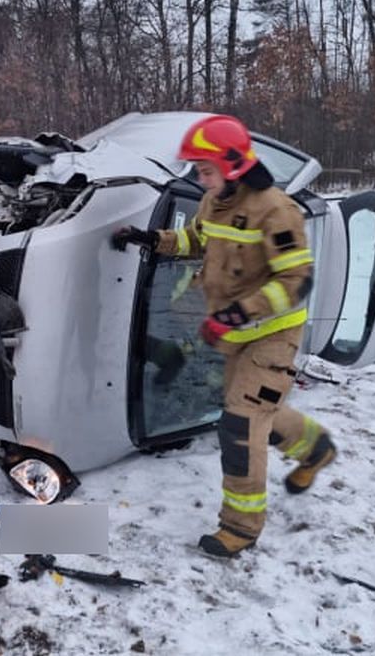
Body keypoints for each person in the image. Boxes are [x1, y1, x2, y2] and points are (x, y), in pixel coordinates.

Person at [111, 114, 336, 558]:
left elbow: (296, 281)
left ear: (233, 165)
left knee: (240, 422)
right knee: (258, 410)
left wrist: (237, 313)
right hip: (235, 334)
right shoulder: (213, 202)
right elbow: (197, 241)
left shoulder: (276, 210)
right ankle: (316, 448)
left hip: (271, 336)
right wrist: (149, 239)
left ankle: (241, 527)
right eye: (197, 170)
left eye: (206, 169)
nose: (200, 177)